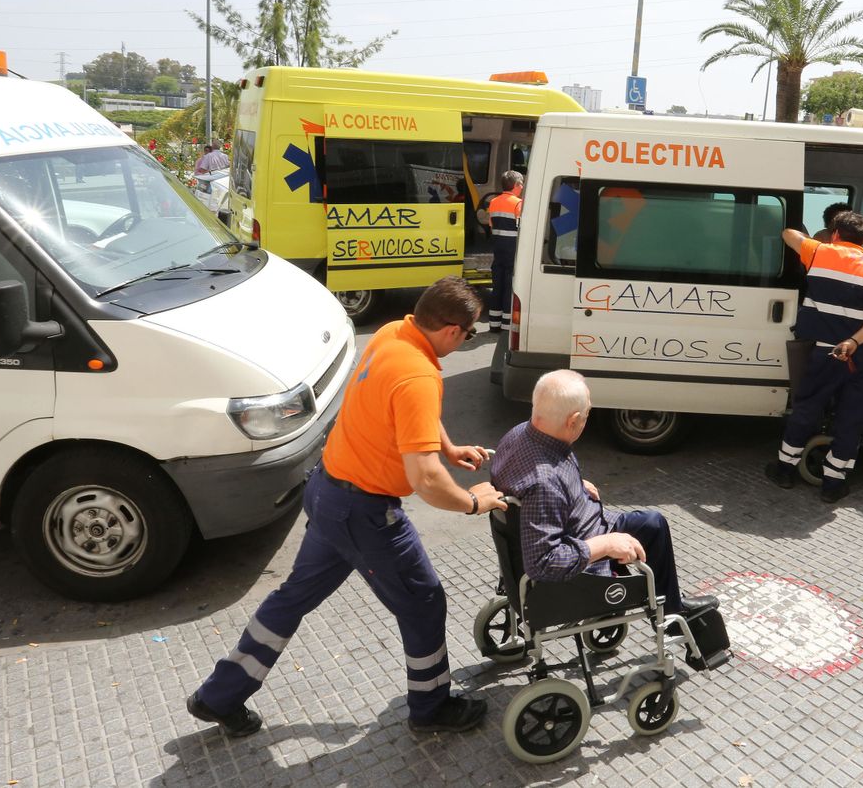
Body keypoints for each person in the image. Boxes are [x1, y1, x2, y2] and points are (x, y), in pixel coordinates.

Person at [188, 277, 507, 738]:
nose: (466, 341)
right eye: (470, 334)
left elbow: (400, 411)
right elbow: (426, 479)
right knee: (423, 603)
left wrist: (449, 446)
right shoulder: (421, 375)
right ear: (454, 331)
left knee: (291, 598)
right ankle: (432, 707)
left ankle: (217, 697)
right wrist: (473, 501)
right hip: (366, 513)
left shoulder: (393, 333)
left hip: (328, 489)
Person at [490, 370, 717, 617]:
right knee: (654, 526)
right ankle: (673, 614)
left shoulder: (520, 434)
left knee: (652, 524)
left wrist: (574, 483)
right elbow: (544, 564)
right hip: (579, 557)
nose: (587, 421)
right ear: (572, 420)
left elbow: (531, 484)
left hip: (569, 523)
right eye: (587, 415)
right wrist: (605, 545)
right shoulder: (546, 483)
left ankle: (671, 602)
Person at [765, 210, 863, 503]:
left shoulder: (820, 252)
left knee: (808, 407)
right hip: (861, 355)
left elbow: (789, 234)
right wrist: (854, 340)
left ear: (835, 234)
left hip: (824, 351)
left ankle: (785, 470)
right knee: (852, 417)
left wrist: (822, 241)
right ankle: (833, 484)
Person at [486, 170, 525, 332]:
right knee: (509, 287)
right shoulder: (518, 204)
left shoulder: (493, 202)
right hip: (512, 251)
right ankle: (506, 325)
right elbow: (522, 228)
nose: (522, 187)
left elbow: (491, 225)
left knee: (497, 286)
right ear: (515, 185)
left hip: (498, 250)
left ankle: (494, 324)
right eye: (521, 183)